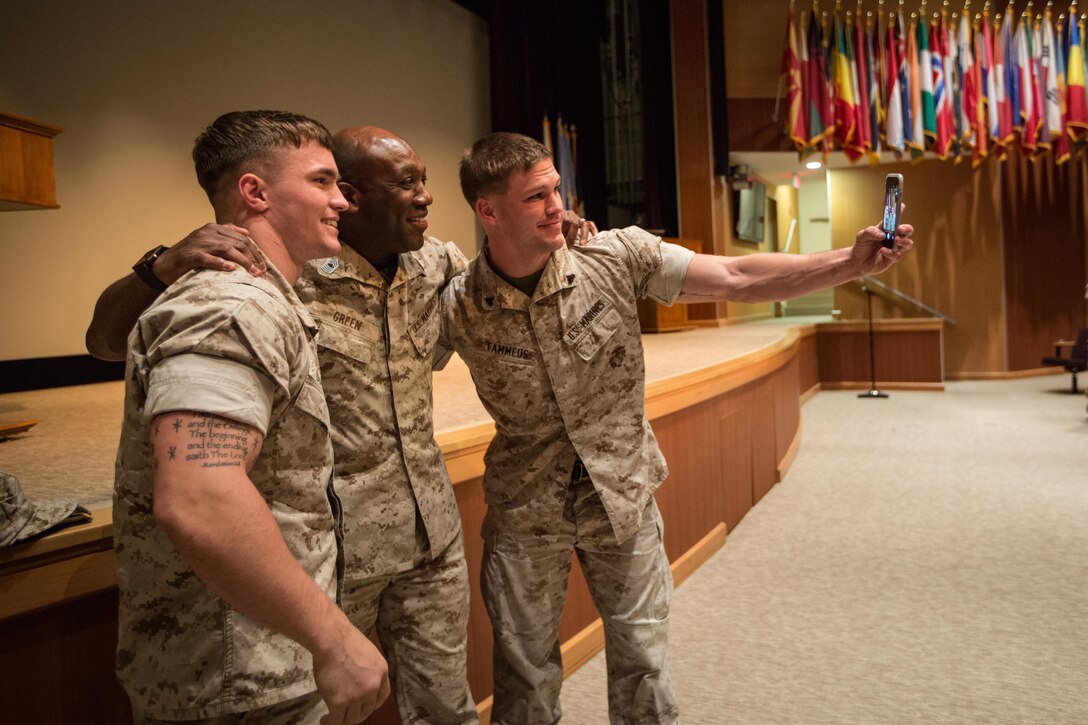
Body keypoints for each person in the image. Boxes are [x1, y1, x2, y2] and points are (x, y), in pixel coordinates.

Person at [88, 125, 594, 725]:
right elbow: (106, 344)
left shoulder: (433, 264)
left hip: (427, 533)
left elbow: (500, 287)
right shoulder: (270, 273)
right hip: (333, 547)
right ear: (354, 196)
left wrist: (556, 241)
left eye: (424, 179)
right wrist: (159, 268)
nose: (426, 196)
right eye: (407, 182)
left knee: (446, 708)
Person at [440, 131, 915, 724]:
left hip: (624, 498)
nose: (557, 206)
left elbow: (738, 276)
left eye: (557, 190)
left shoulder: (613, 257)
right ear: (488, 210)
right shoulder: (458, 304)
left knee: (644, 664)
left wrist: (847, 262)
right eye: (537, 197)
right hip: (525, 511)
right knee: (524, 677)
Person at [110, 110, 389, 725]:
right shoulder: (230, 305)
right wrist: (334, 639)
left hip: (259, 663)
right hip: (236, 677)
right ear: (254, 192)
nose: (343, 199)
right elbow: (200, 499)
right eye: (322, 182)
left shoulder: (263, 298)